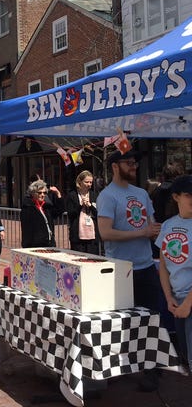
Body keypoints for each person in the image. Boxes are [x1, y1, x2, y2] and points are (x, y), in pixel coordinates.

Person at [97, 149, 162, 392]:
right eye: (129, 162)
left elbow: (150, 226)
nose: (134, 166)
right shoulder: (108, 196)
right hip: (120, 271)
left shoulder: (142, 193)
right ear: (115, 166)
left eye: (135, 162)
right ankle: (121, 365)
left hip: (145, 266)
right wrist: (141, 233)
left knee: (151, 320)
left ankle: (151, 370)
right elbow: (105, 232)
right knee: (121, 323)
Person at [157, 175, 192, 374]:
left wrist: (187, 303)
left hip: (188, 302)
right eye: (189, 194)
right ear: (176, 197)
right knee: (186, 356)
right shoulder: (168, 225)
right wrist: (169, 298)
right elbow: (164, 265)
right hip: (178, 302)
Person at [20, 179, 65, 247]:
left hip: (49, 243)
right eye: (39, 193)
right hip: (36, 245)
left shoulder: (46, 206)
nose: (42, 195)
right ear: (33, 193)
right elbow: (27, 231)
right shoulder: (28, 207)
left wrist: (58, 194)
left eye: (44, 193)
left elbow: (59, 211)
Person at [66, 170, 100, 254]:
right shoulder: (72, 195)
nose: (89, 184)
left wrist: (90, 206)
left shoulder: (94, 195)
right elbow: (71, 214)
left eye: (91, 182)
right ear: (80, 182)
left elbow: (98, 214)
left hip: (92, 235)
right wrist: (80, 205)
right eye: (86, 182)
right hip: (78, 236)